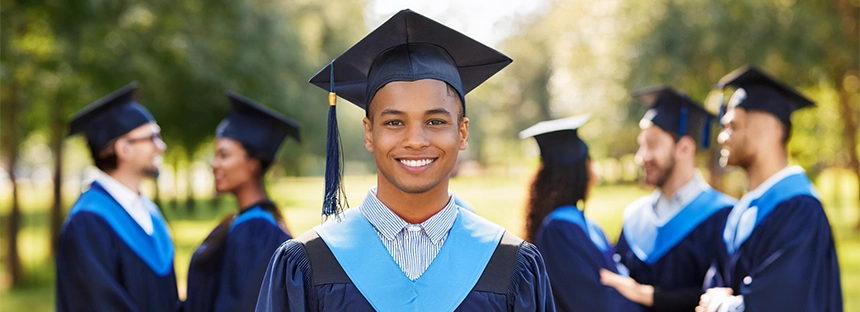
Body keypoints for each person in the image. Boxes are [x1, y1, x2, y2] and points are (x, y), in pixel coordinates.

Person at [255, 9, 554, 311]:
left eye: (435, 122)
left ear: (462, 133)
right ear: (369, 133)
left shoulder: (510, 264)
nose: (415, 140)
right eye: (394, 123)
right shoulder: (309, 263)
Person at [697, 66, 842, 312]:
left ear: (767, 129)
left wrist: (722, 306)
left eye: (732, 125)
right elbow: (712, 290)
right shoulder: (741, 211)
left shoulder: (800, 210)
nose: (722, 137)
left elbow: (783, 303)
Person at [600, 86, 735, 312]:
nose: (640, 157)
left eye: (651, 145)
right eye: (641, 145)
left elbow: (724, 294)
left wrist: (648, 295)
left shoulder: (723, 215)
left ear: (684, 148)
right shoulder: (635, 216)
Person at [57, 82, 177, 311]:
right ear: (123, 148)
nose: (161, 146)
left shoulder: (147, 211)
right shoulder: (88, 222)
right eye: (152, 137)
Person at [183, 92, 300, 312]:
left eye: (224, 155)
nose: (214, 164)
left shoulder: (257, 231)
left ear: (253, 164)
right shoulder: (247, 222)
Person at [523, 115, 645, 312]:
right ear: (578, 171)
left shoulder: (581, 223)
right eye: (590, 161)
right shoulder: (559, 229)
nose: (595, 170)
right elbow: (591, 300)